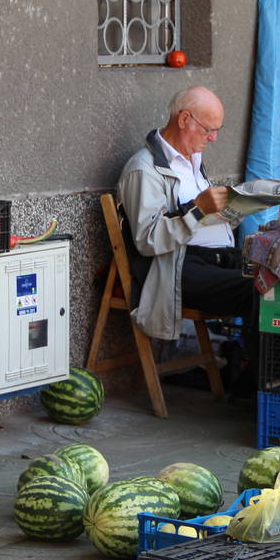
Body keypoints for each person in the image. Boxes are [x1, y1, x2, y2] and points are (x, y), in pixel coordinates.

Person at [117, 86, 258, 395]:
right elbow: (148, 239)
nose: (214, 138)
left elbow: (201, 217)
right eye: (209, 130)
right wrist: (198, 209)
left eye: (217, 130)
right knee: (255, 289)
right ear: (184, 120)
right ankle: (258, 388)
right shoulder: (144, 169)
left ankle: (276, 381)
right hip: (174, 268)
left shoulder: (192, 160)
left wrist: (236, 209)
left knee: (278, 276)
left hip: (213, 258)